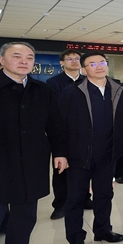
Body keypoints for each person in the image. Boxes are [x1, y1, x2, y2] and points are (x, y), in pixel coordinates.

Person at [0, 42, 67, 244]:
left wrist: (60, 153)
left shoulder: (42, 90)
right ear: (2, 60)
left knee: (25, 215)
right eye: (17, 56)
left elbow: (55, 124)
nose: (24, 61)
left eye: (30, 57)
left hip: (31, 162)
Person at [59, 51, 123, 244]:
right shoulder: (72, 92)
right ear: (83, 69)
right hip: (78, 157)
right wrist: (61, 153)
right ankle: (75, 240)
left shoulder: (119, 90)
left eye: (102, 62)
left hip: (108, 155)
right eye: (92, 64)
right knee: (75, 199)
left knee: (104, 195)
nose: (99, 67)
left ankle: (103, 230)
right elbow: (60, 124)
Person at [46, 50, 84, 219]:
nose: (74, 61)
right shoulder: (54, 82)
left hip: (84, 131)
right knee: (61, 169)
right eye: (70, 59)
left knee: (84, 168)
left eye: (77, 58)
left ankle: (84, 198)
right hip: (62, 131)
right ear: (62, 63)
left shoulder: (87, 80)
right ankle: (60, 204)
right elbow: (56, 108)